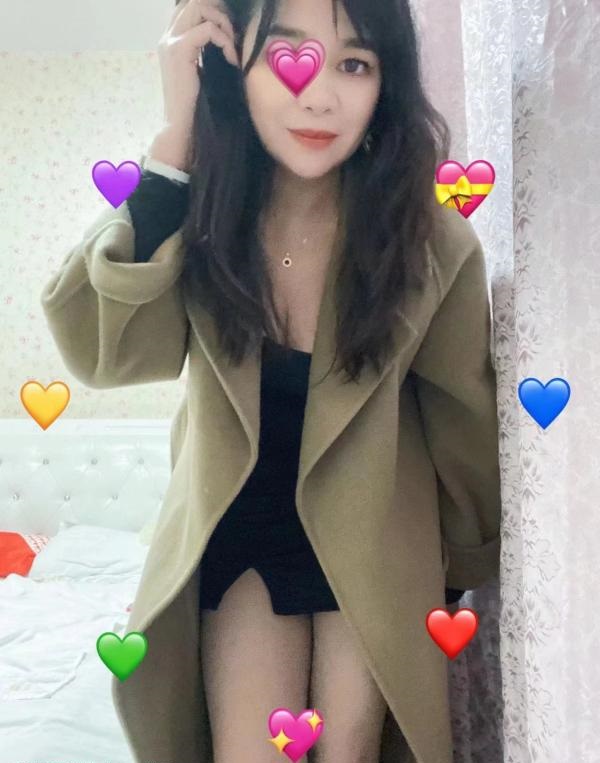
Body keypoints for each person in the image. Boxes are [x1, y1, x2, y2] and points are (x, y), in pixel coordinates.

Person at [40, 0, 501, 761]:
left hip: (372, 538)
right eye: (289, 56)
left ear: (386, 82)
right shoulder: (200, 214)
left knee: (348, 746)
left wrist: (465, 568)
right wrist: (175, 143)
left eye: (354, 63)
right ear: (234, 67)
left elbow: (463, 415)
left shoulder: (429, 240)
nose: (318, 95)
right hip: (239, 533)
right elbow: (102, 350)